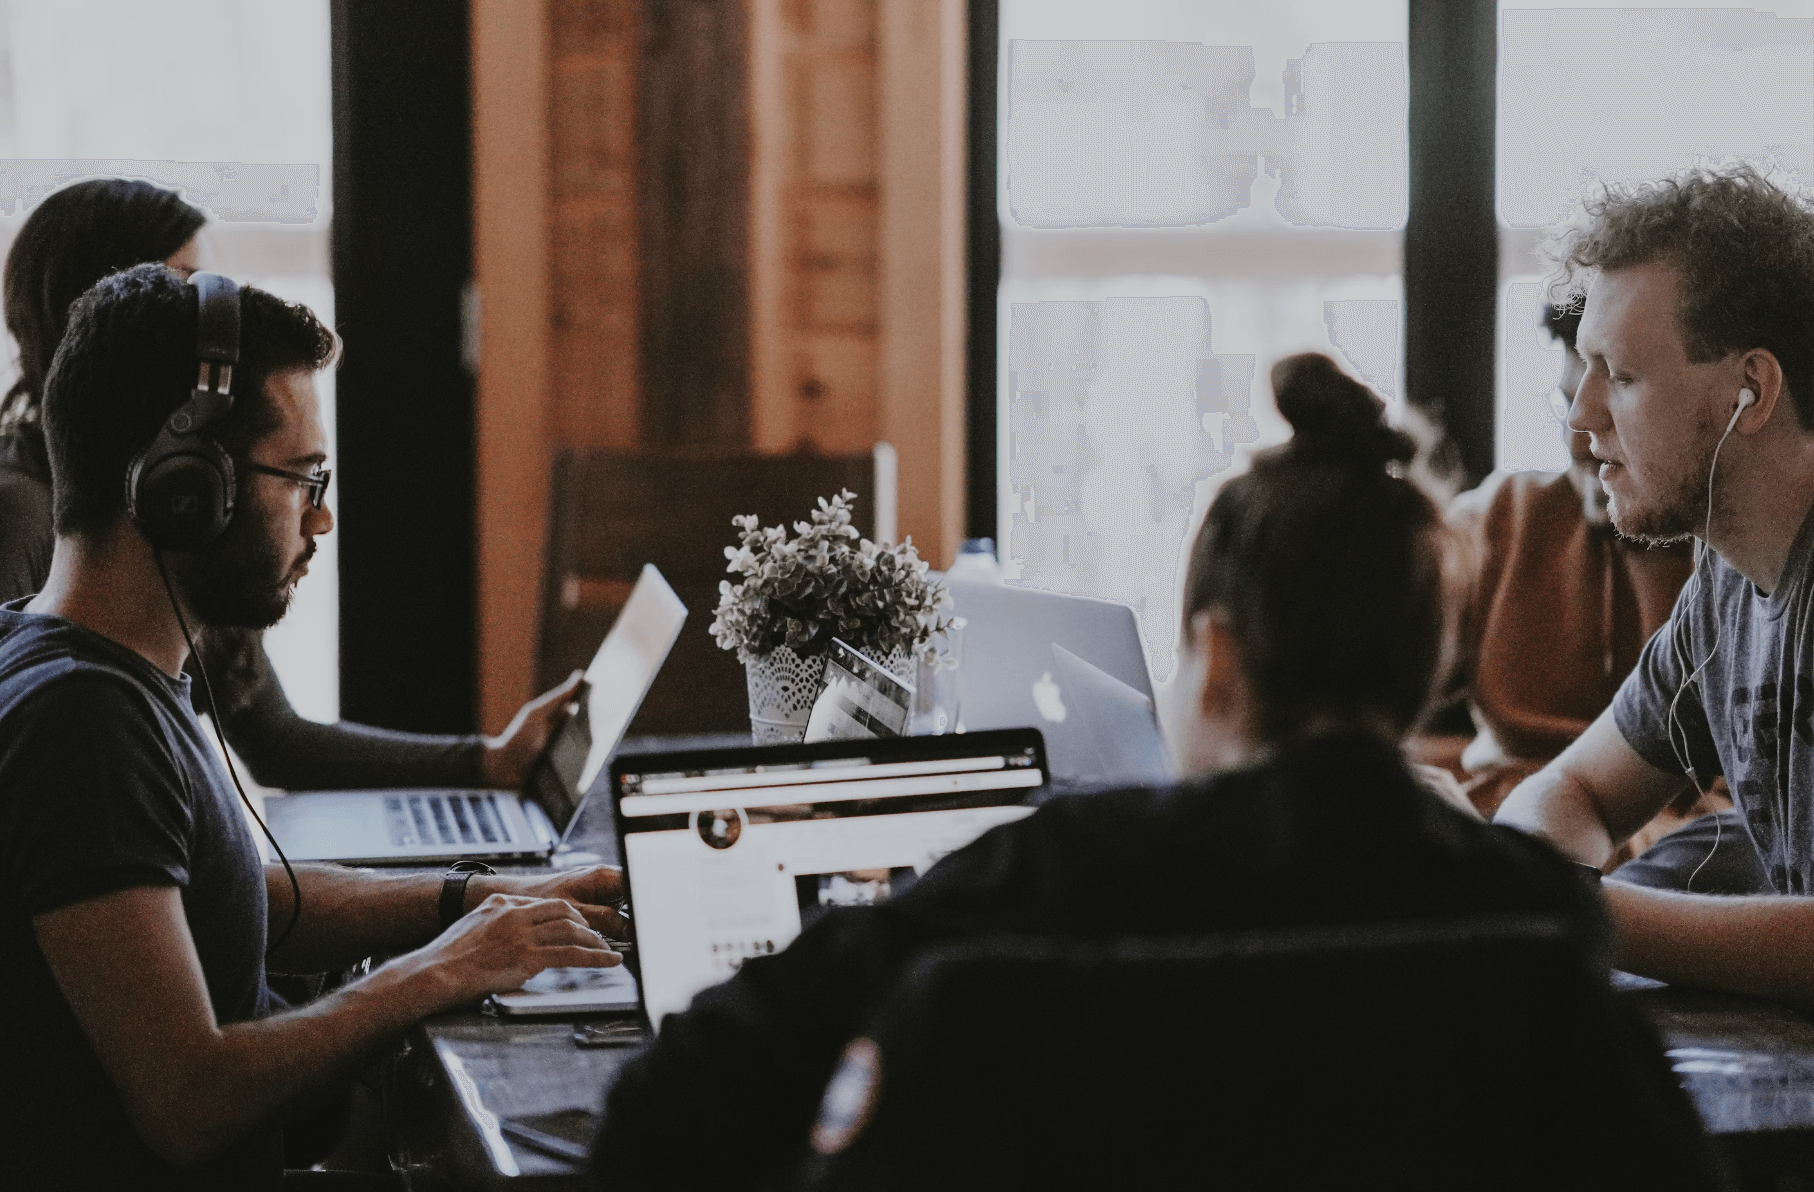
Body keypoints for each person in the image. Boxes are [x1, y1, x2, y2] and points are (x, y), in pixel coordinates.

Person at [588, 353, 1607, 1189]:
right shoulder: (1531, 918)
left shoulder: (1049, 876)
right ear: (1428, 662)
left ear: (1217, 659)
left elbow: (666, 1100)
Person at [0, 263, 626, 1189]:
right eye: (301, 478)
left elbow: (246, 900)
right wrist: (438, 973)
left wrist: (478, 902)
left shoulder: (88, 665)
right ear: (182, 487)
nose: (323, 517)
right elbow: (188, 1100)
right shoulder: (81, 722)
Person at [0, 178, 574, 794]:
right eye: (186, 287)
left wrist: (489, 761)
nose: (215, 324)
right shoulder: (32, 517)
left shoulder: (200, 506)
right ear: (102, 310)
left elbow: (276, 740)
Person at [1495, 161, 1814, 1001]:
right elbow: (1573, 788)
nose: (1580, 417)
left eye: (1622, 377)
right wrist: (1532, 882)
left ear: (1753, 390)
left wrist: (1572, 912)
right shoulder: (1726, 587)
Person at [1431, 303, 1766, 892]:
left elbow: (1752, 836)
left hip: (1675, 863)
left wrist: (1554, 890)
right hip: (1531, 837)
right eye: (1568, 403)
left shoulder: (1737, 573)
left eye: (1621, 398)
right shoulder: (1497, 522)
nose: (1580, 437)